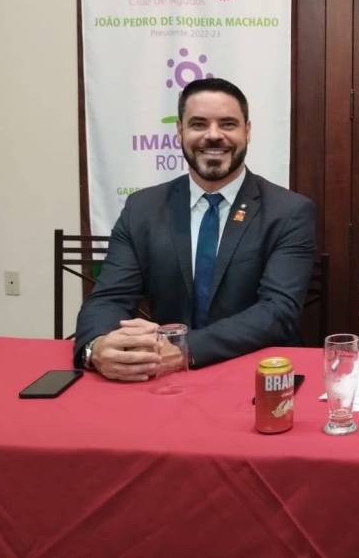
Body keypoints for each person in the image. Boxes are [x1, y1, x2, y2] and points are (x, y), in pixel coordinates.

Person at [73, 78, 316, 380]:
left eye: (228, 124)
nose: (213, 136)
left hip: (256, 375)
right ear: (179, 131)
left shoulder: (289, 212)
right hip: (163, 380)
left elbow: (278, 311)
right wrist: (96, 347)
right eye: (198, 124)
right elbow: (108, 298)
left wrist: (185, 348)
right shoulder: (142, 209)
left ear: (247, 131)